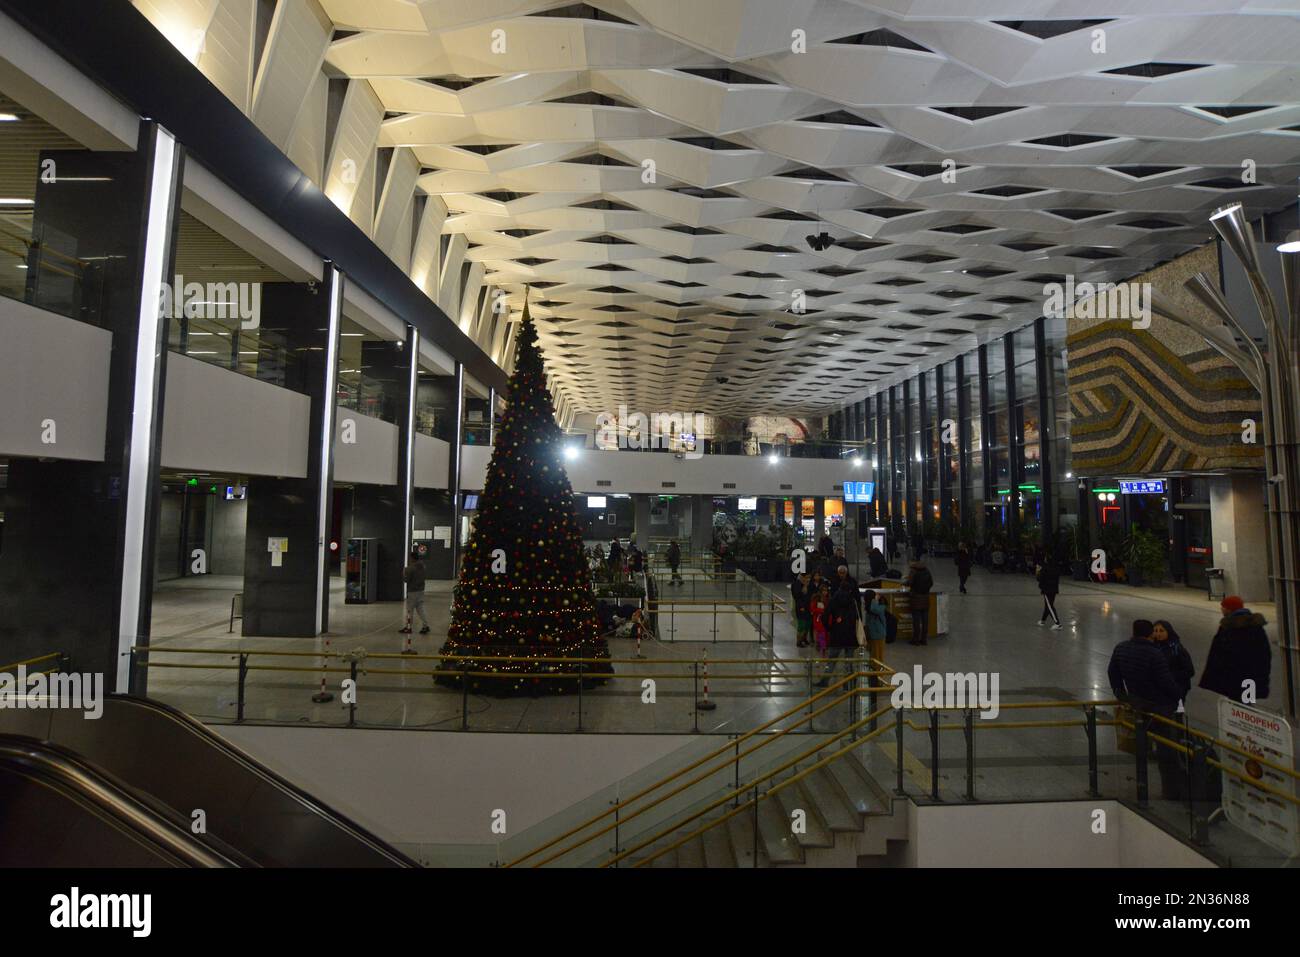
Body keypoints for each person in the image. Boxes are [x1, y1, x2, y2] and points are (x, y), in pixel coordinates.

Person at [1107, 620, 1184, 799]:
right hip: (1158, 706)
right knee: (1167, 748)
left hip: (1135, 703)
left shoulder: (1121, 648)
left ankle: (1142, 783)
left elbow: (1113, 672)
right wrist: (1177, 695)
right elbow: (1165, 682)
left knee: (1141, 744)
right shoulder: (1154, 653)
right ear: (1150, 634)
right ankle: (1171, 791)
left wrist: (1121, 694)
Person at [1200, 596, 1271, 704]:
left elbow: (1223, 652)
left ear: (1229, 609)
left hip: (1234, 675)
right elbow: (1265, 653)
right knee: (1246, 703)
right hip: (1252, 675)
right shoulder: (1255, 626)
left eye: (1223, 607)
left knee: (1237, 704)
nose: (1221, 609)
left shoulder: (1230, 627)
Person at [816, 582, 859, 687]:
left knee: (832, 660)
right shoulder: (852, 600)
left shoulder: (833, 599)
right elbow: (857, 617)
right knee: (848, 661)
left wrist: (829, 628)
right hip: (850, 635)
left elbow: (824, 617)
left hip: (837, 634)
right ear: (849, 590)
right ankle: (848, 684)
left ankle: (825, 681)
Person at [1153, 620, 1195, 701]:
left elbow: (1190, 671)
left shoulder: (1177, 648)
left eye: (1161, 631)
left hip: (1178, 688)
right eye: (1155, 631)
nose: (1158, 634)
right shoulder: (1154, 646)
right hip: (1161, 688)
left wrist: (1169, 676)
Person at [400, 549, 430, 635]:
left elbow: (406, 580)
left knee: (410, 610)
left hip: (412, 591)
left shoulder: (410, 568)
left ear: (412, 558)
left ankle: (408, 627)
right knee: (421, 609)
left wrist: (403, 573)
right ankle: (425, 626)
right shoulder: (423, 566)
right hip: (421, 590)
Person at [905, 559, 934, 646]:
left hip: (916, 598)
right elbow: (931, 583)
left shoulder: (913, 571)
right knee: (925, 620)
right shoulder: (927, 570)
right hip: (925, 598)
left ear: (913, 563)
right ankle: (924, 640)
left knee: (916, 621)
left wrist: (905, 583)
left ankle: (916, 640)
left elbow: (909, 583)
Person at [862, 588, 887, 666]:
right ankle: (877, 674)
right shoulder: (876, 607)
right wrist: (875, 600)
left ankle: (873, 671)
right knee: (878, 656)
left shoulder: (867, 607)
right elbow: (876, 609)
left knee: (873, 654)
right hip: (878, 634)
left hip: (871, 634)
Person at [1036, 557, 1061, 629]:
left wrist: (1038, 571)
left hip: (1047, 589)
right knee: (1048, 605)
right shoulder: (1056, 568)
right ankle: (1042, 620)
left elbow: (1039, 579)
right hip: (1054, 589)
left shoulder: (1045, 568)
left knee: (1049, 606)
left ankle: (1057, 623)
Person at [810, 583, 831, 658]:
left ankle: (822, 647)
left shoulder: (829, 599)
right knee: (821, 633)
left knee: (825, 634)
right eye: (823, 590)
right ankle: (822, 649)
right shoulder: (816, 598)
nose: (825, 592)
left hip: (827, 619)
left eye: (826, 590)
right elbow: (812, 609)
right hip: (818, 619)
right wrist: (821, 610)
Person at [791, 571, 812, 648]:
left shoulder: (809, 584)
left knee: (807, 624)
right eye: (807, 577)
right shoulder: (796, 584)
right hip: (801, 608)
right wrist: (801, 607)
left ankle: (804, 639)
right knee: (801, 625)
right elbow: (797, 597)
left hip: (809, 608)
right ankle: (799, 641)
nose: (808, 579)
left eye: (809, 577)